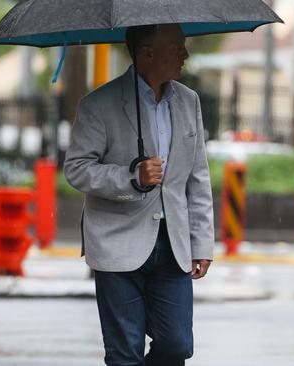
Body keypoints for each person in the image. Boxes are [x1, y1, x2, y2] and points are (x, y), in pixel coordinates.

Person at [64, 23, 214, 366]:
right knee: (124, 353)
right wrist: (132, 177)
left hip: (173, 246)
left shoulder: (189, 101)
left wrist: (202, 242)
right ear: (147, 53)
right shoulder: (98, 104)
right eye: (177, 47)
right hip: (116, 245)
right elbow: (77, 168)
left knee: (177, 345)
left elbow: (197, 178)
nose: (185, 54)